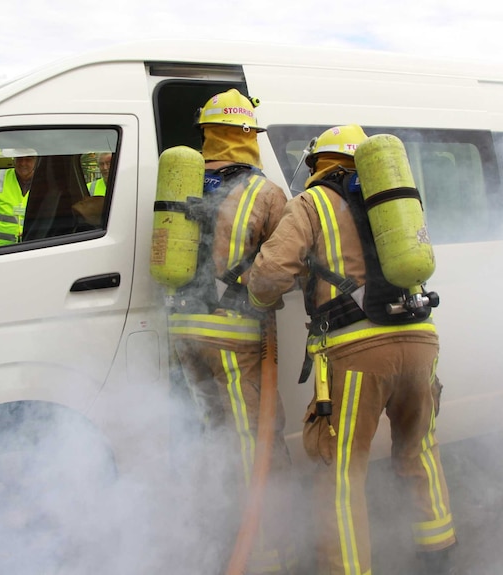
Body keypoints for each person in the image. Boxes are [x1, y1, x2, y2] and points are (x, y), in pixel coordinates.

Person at [247, 125, 458, 575]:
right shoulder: (391, 201)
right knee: (419, 448)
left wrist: (258, 298)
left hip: (357, 351)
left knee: (342, 473)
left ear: (318, 162)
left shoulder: (313, 201)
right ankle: (438, 551)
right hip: (422, 340)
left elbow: (269, 273)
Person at [166, 88, 297, 574]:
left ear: (207, 134)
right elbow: (286, 265)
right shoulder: (265, 193)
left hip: (183, 328)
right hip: (234, 335)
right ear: (247, 135)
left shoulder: (179, 183)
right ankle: (267, 553)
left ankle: (215, 537)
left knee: (211, 436)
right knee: (256, 441)